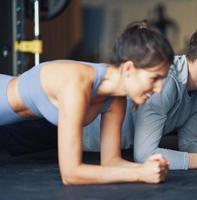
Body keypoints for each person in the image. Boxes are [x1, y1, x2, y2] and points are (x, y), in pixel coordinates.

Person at [0, 20, 174, 185]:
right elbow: (70, 174)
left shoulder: (116, 99)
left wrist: (148, 168)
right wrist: (139, 174)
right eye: (155, 78)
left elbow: (111, 162)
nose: (159, 89)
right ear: (128, 68)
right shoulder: (76, 84)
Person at [83, 22, 197, 170]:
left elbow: (189, 143)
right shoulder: (167, 80)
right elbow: (145, 155)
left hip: (115, 152)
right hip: (76, 140)